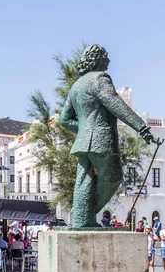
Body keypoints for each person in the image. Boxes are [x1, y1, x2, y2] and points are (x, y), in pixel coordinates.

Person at [59, 44, 154, 227]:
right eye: (105, 57)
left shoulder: (76, 86)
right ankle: (86, 213)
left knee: (84, 179)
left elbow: (64, 120)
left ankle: (81, 217)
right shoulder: (100, 78)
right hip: (101, 140)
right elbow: (115, 104)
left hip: (83, 142)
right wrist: (142, 128)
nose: (109, 61)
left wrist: (85, 129)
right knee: (113, 177)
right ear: (97, 59)